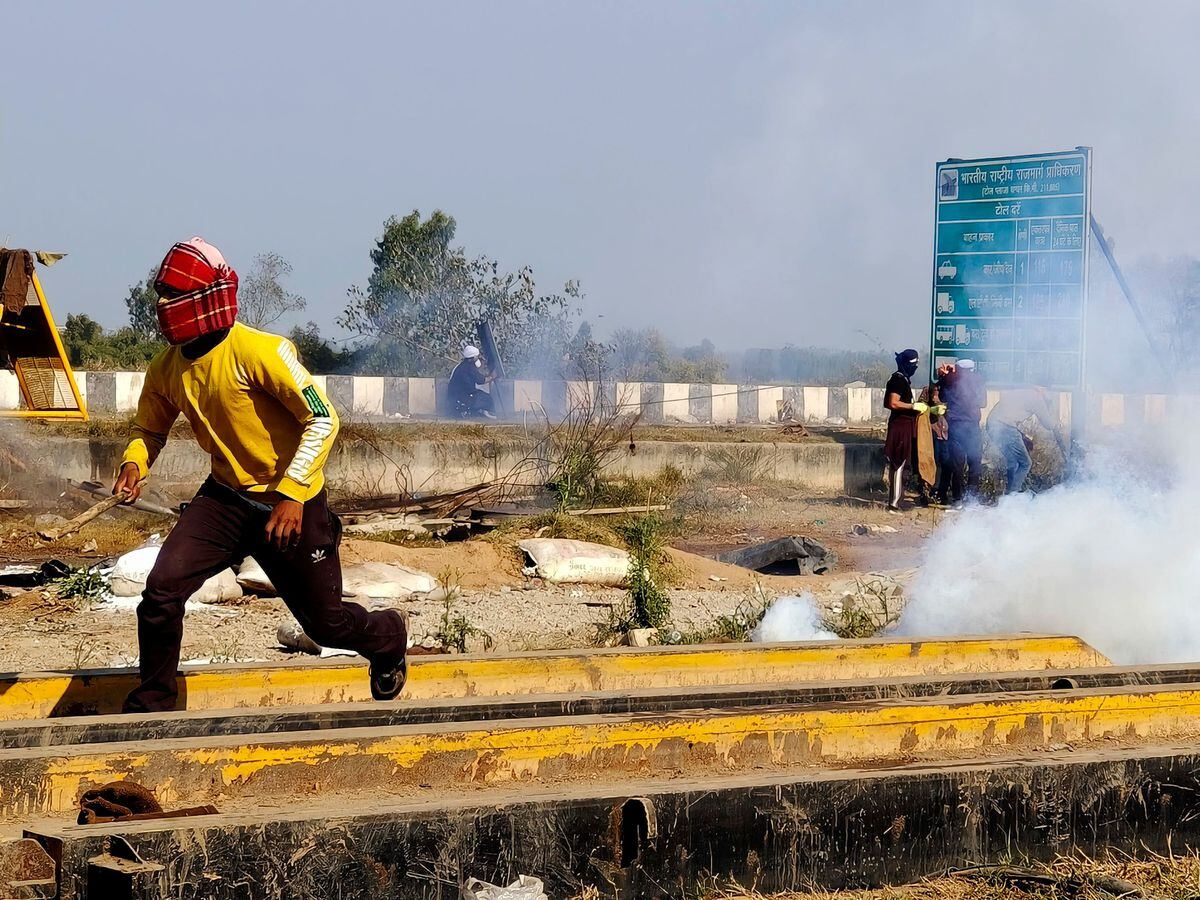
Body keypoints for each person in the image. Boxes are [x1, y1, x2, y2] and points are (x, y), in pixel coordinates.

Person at [113, 237, 410, 713]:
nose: (161, 304)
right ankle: (153, 702)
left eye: (171, 294)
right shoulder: (166, 369)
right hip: (224, 500)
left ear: (204, 299)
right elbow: (149, 427)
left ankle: (389, 635)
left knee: (326, 625)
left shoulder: (262, 352)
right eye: (160, 293)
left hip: (291, 505)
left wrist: (292, 494)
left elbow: (324, 418)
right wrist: (135, 462)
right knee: (161, 591)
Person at [985, 385, 1067, 493]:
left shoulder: (1022, 389)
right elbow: (1049, 425)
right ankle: (1012, 496)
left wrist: (1022, 436)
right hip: (1005, 427)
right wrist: (1056, 425)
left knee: (1012, 461)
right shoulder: (1037, 398)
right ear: (1042, 389)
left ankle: (1009, 494)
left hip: (991, 424)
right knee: (1025, 463)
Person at [883, 349, 926, 512]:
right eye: (914, 364)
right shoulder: (898, 380)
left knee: (904, 463)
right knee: (898, 463)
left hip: (906, 426)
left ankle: (899, 499)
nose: (915, 368)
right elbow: (893, 403)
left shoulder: (904, 380)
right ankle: (893, 504)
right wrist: (912, 406)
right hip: (899, 427)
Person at [942, 357, 987, 504]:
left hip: (955, 426)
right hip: (972, 426)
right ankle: (972, 499)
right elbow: (983, 403)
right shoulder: (979, 379)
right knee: (975, 462)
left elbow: (942, 397)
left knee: (957, 464)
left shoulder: (950, 379)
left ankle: (957, 499)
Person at [448, 345, 496, 419]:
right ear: (473, 358)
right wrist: (492, 377)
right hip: (463, 396)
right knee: (487, 399)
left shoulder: (461, 366)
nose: (478, 358)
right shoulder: (470, 367)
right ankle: (471, 411)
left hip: (455, 395)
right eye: (477, 356)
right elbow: (481, 380)